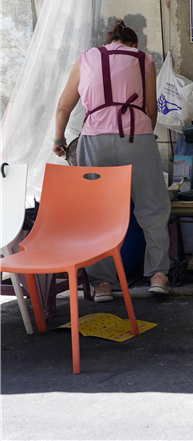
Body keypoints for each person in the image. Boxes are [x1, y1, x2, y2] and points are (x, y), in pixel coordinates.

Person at [52, 18, 171, 300]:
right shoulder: (144, 59)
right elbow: (152, 111)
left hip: (94, 140)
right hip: (137, 136)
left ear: (107, 44)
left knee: (97, 213)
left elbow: (63, 107)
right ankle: (158, 276)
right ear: (133, 44)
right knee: (152, 207)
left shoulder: (86, 59)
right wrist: (141, 136)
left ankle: (102, 284)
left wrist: (59, 140)